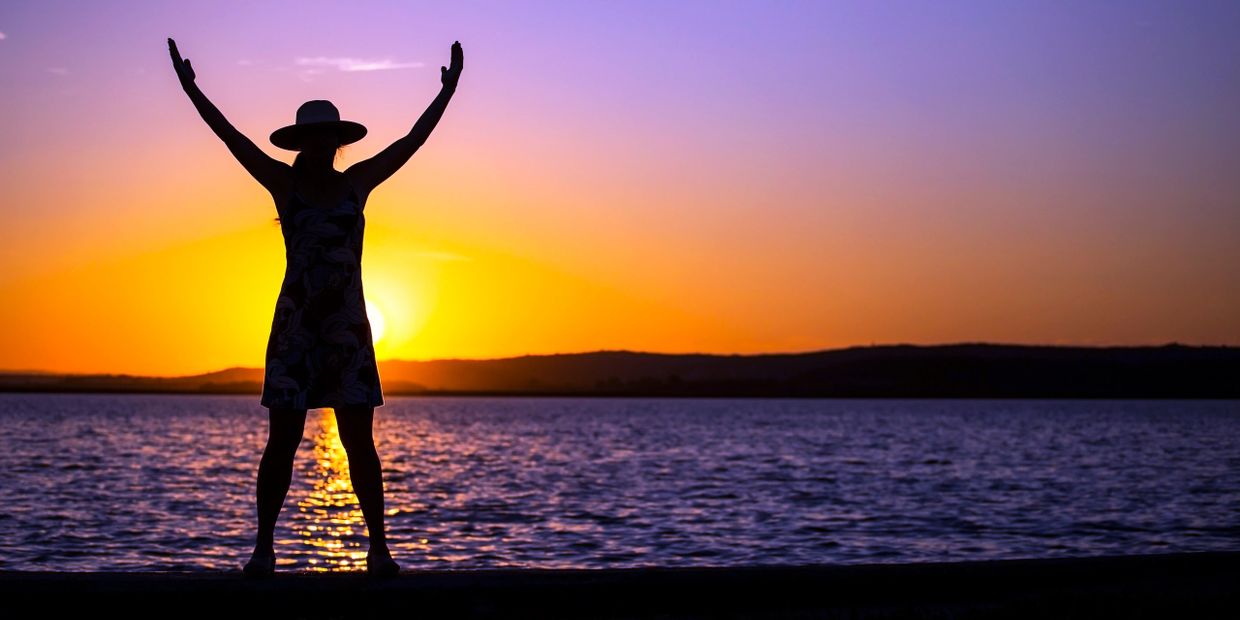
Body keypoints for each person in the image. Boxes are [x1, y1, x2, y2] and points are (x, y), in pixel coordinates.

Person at [167, 37, 463, 578]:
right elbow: (230, 137)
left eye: (329, 135)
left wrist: (446, 92)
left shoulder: (357, 183)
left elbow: (412, 141)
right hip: (297, 326)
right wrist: (192, 90)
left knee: (360, 443)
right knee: (282, 440)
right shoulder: (284, 184)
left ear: (337, 140)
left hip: (347, 328)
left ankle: (379, 550)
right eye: (315, 136)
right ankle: (263, 550)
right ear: (303, 142)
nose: (323, 143)